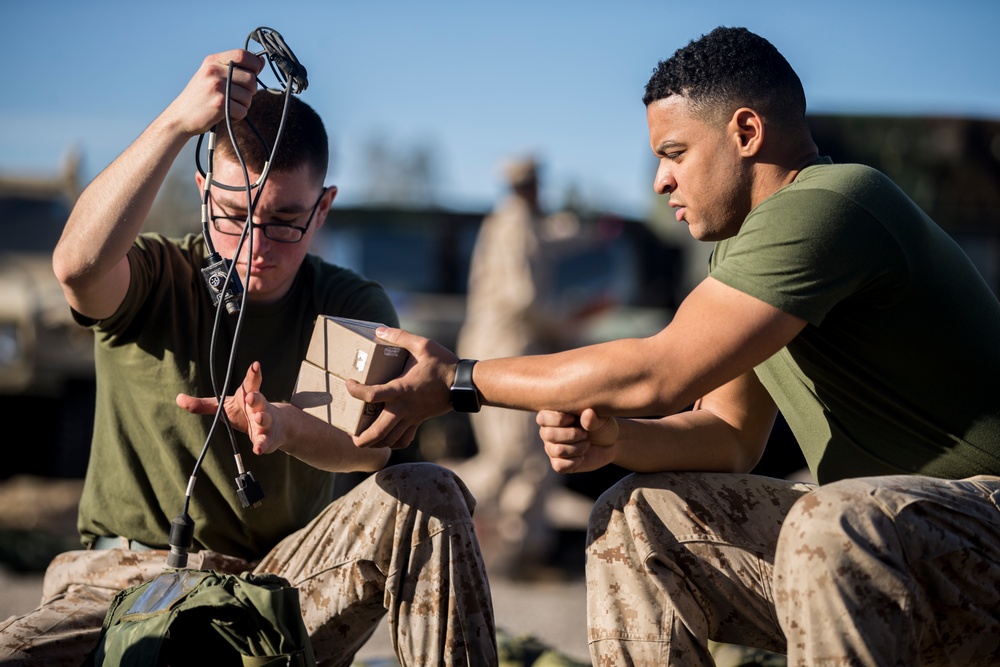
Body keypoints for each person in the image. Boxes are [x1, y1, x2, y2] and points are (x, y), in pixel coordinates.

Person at [346, 26, 1000, 666]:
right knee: (636, 513)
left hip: (977, 524)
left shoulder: (836, 201)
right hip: (890, 542)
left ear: (746, 133)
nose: (660, 181)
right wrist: (620, 443)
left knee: (832, 522)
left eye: (675, 151)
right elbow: (730, 434)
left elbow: (660, 371)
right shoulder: (742, 253)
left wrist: (458, 378)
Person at [0, 48, 497, 666]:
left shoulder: (346, 299)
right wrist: (178, 123)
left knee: (430, 489)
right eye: (235, 215)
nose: (256, 246)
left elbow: (368, 446)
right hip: (125, 579)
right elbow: (76, 266)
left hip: (280, 587)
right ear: (204, 190)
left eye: (286, 220)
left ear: (324, 208)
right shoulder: (155, 275)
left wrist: (287, 427)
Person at [454, 156, 589, 576]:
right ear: (528, 185)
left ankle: (522, 555)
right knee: (511, 456)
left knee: (531, 460)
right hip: (504, 351)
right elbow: (524, 296)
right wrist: (569, 323)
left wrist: (590, 236)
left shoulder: (522, 221)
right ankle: (434, 504)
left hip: (515, 349)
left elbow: (554, 239)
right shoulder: (513, 223)